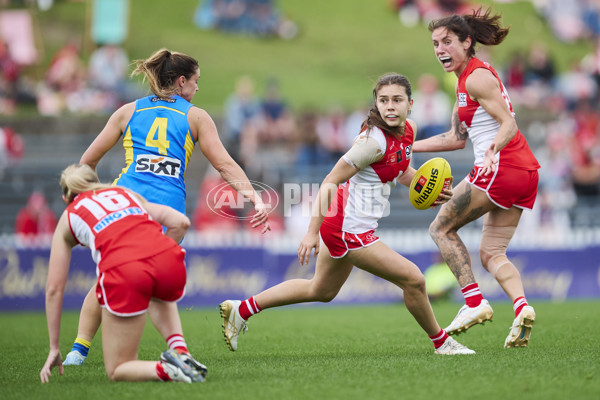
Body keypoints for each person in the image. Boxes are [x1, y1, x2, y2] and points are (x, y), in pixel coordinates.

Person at [219, 73, 475, 356]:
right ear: (376, 104)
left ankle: (240, 310)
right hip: (347, 228)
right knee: (414, 279)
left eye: (397, 100)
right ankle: (442, 343)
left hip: (345, 223)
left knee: (321, 290)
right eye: (383, 100)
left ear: (410, 104)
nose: (390, 106)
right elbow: (330, 180)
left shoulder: (409, 131)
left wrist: (427, 188)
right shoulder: (372, 142)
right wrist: (310, 232)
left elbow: (400, 171)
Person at [62, 48, 270, 366]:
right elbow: (226, 165)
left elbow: (87, 161)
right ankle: (175, 351)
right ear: (182, 81)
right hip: (168, 213)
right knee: (152, 277)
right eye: (196, 81)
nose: (198, 88)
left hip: (123, 205)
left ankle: (79, 351)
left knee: (112, 275)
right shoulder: (195, 116)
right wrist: (254, 198)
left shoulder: (128, 111)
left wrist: (96, 196)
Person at [411, 8, 540, 348]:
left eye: (447, 41)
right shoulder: (465, 82)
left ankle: (473, 302)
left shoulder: (476, 78)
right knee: (492, 252)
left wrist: (494, 147)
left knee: (440, 228)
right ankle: (522, 307)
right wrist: (406, 144)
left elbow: (509, 123)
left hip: (502, 166)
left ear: (467, 42)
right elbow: (454, 138)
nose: (440, 49)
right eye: (435, 43)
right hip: (523, 173)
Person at [40, 164, 205, 383]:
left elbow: (54, 289)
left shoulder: (69, 215)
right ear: (95, 182)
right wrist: (156, 253)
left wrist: (53, 347)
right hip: (167, 258)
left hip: (124, 269)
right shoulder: (126, 193)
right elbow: (181, 222)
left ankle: (169, 370)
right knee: (154, 287)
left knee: (118, 368)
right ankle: (181, 353)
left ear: (66, 198)